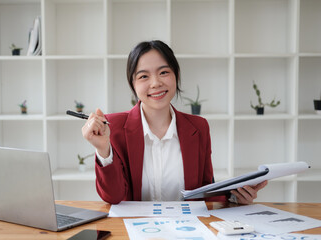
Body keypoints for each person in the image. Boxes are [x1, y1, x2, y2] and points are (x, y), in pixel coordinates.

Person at [82, 40, 267, 204]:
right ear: (133, 84)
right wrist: (103, 150)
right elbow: (112, 197)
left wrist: (235, 197)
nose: (155, 83)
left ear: (176, 75)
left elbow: (204, 192)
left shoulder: (198, 127)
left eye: (164, 72)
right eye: (144, 76)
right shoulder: (113, 126)